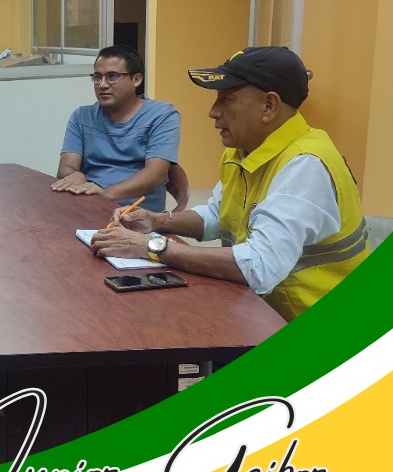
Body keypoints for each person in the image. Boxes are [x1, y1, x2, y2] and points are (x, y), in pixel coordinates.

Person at [90, 46, 369, 322]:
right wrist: (157, 221)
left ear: (269, 106)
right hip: (262, 310)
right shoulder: (243, 151)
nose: (213, 112)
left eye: (227, 99)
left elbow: (258, 266)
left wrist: (152, 246)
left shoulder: (306, 165)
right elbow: (217, 215)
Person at [51, 44, 181, 213]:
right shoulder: (81, 116)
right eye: (97, 77)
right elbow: (65, 168)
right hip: (88, 208)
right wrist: (76, 175)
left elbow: (156, 174)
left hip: (137, 215)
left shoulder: (162, 115)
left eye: (112, 76)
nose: (102, 85)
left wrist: (105, 194)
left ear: (136, 80)